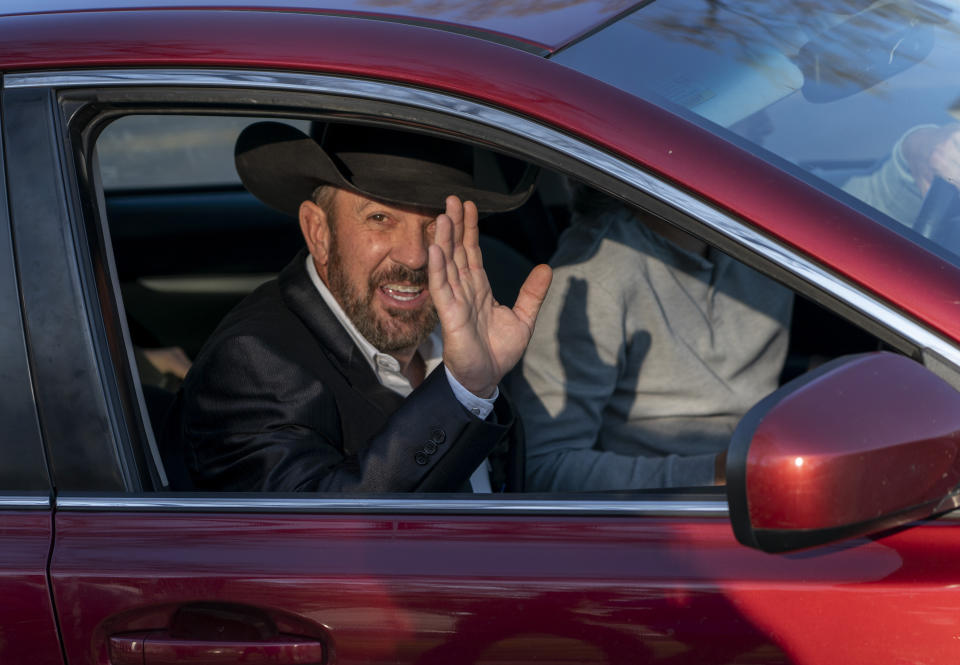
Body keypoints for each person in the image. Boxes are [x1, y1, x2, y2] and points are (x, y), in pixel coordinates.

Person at [161, 121, 552, 492]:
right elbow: (326, 536)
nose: (415, 256)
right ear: (319, 231)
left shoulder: (462, 336)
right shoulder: (251, 363)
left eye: (436, 222)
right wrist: (465, 390)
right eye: (380, 218)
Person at [511, 186, 792, 491]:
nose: (765, 135)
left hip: (771, 465)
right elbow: (544, 467)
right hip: (677, 513)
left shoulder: (769, 246)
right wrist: (717, 472)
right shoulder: (592, 276)